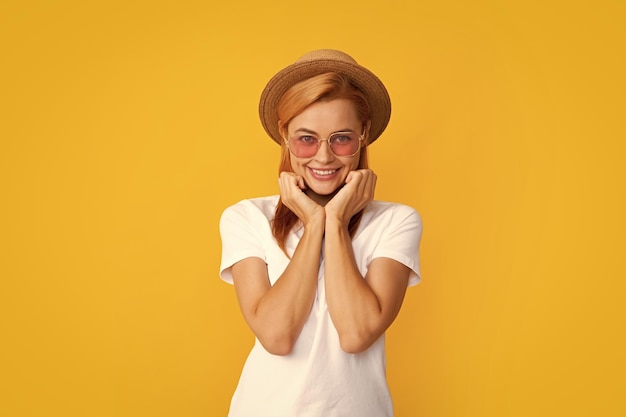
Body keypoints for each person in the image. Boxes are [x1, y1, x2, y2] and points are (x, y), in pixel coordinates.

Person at [219, 49, 423, 417]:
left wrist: (336, 222)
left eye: (341, 138)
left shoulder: (396, 221)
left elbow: (356, 334)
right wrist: (315, 223)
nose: (324, 157)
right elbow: (276, 337)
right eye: (307, 139)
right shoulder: (247, 217)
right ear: (285, 137)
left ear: (363, 135)